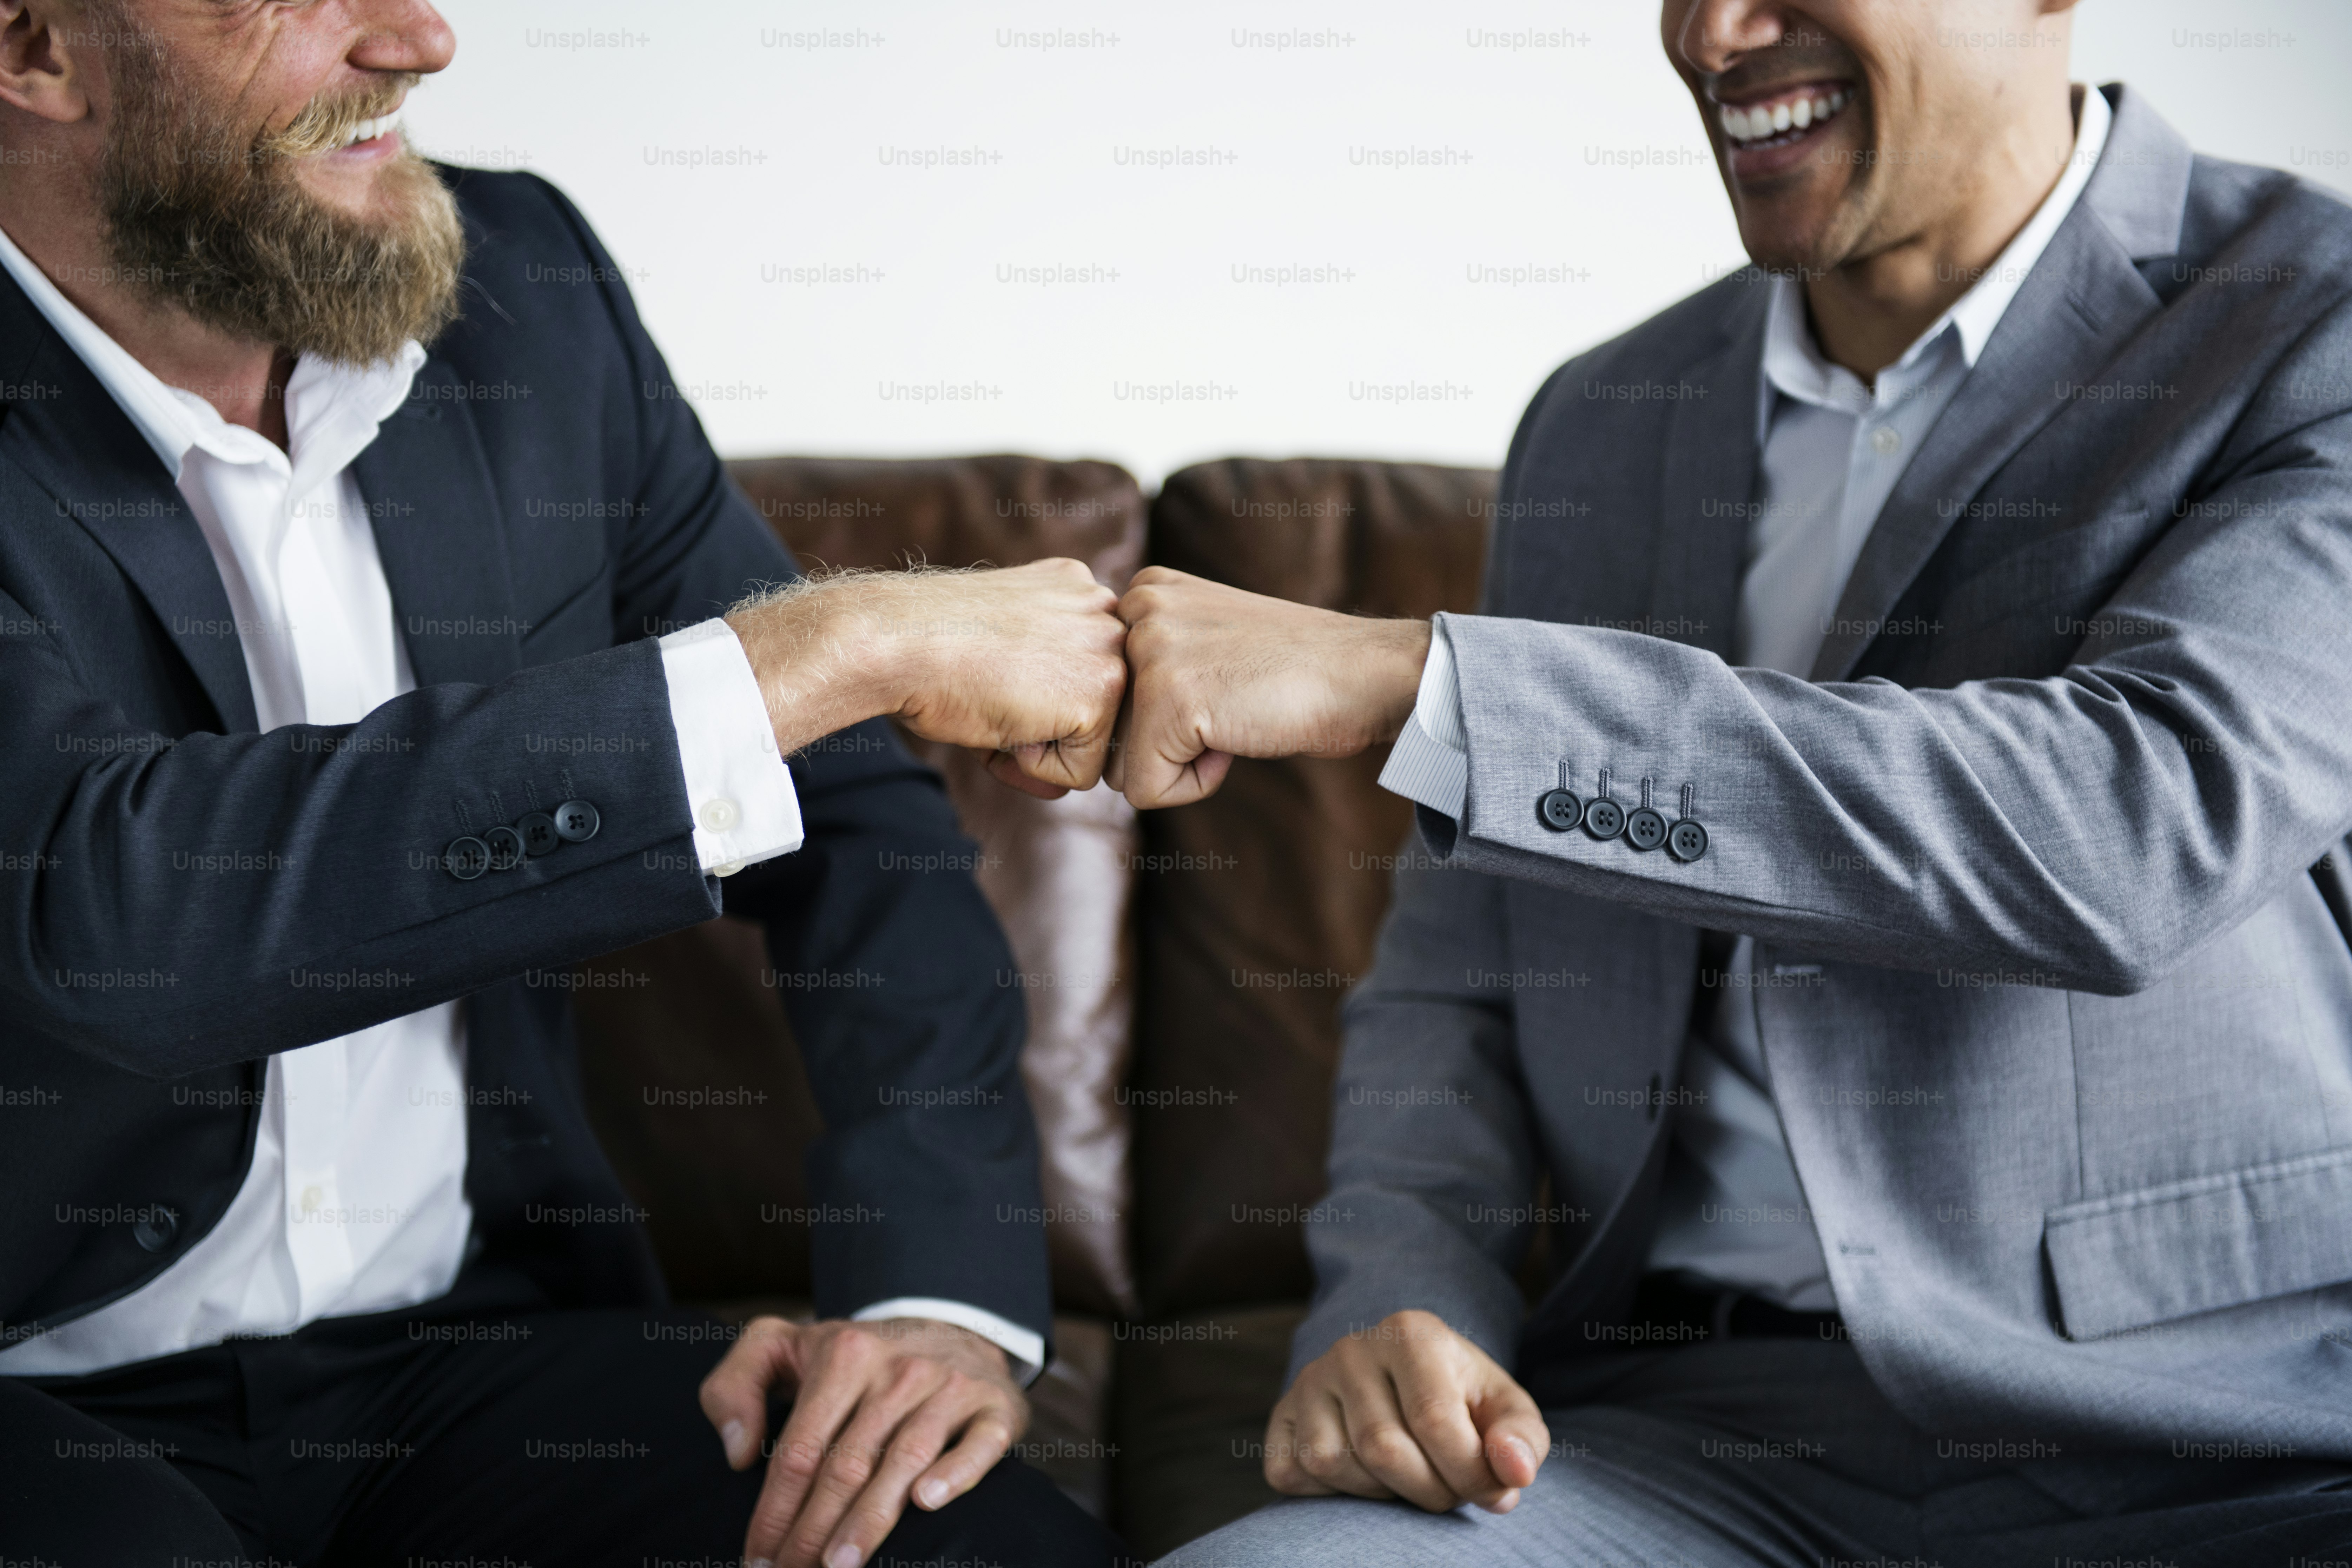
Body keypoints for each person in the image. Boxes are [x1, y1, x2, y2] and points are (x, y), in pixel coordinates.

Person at [1119, 1, 2352, 1563]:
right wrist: (1401, 1291)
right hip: (1682, 1440)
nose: (1711, 32)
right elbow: (1461, 976)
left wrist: (1420, 684)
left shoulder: (2308, 321)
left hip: (2227, 1438)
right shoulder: (1598, 421)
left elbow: (2134, 824)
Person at [0, 2, 1128, 1566]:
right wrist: (832, 642)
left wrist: (934, 1290)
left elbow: (853, 815)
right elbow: (107, 905)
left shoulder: (527, 288)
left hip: (470, 1357)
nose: (419, 38)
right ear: (35, 49)